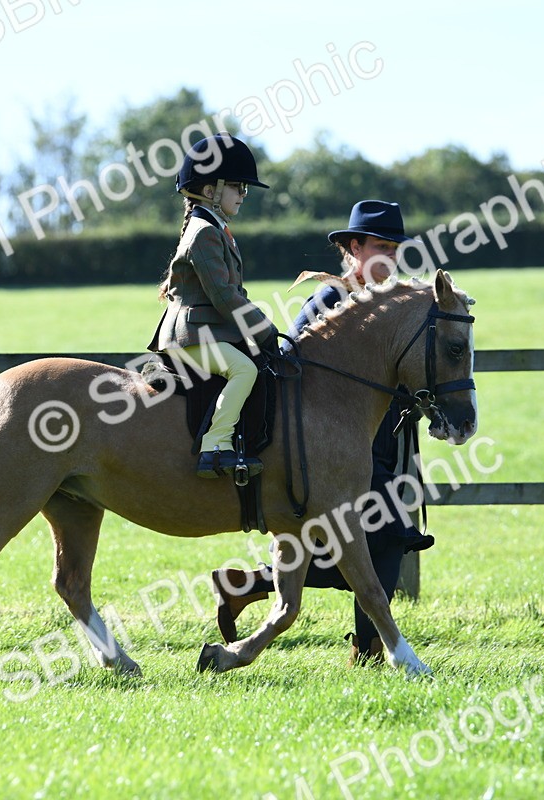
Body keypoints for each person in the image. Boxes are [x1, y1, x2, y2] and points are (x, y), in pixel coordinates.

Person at [210, 200, 435, 663]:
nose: (389, 258)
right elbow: (290, 365)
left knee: (378, 541)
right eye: (380, 247)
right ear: (353, 248)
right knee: (384, 540)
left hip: (382, 445)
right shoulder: (330, 300)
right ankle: (369, 647)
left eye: (395, 249)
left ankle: (252, 585)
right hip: (333, 452)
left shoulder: (391, 304)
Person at [148, 133, 279, 478]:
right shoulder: (204, 232)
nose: (244, 195)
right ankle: (215, 446)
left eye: (244, 189)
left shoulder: (214, 228)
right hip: (191, 336)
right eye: (238, 187)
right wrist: (263, 328)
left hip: (208, 332)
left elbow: (234, 292)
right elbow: (224, 295)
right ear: (210, 191)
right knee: (244, 369)